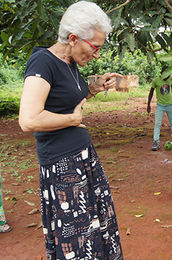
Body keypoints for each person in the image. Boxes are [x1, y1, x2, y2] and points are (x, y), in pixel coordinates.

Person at [18, 1, 123, 258]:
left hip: (82, 159)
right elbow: (28, 119)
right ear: (73, 38)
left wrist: (92, 89)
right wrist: (72, 121)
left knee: (97, 228)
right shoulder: (43, 62)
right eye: (95, 46)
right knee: (77, 238)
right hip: (63, 167)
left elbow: (62, 103)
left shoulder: (70, 63)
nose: (97, 54)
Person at [147, 66, 172, 151]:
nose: (167, 77)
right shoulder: (156, 80)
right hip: (160, 106)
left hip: (170, 104)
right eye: (166, 75)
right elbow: (151, 92)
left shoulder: (171, 79)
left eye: (168, 75)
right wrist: (148, 104)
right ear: (162, 73)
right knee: (157, 124)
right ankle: (156, 141)